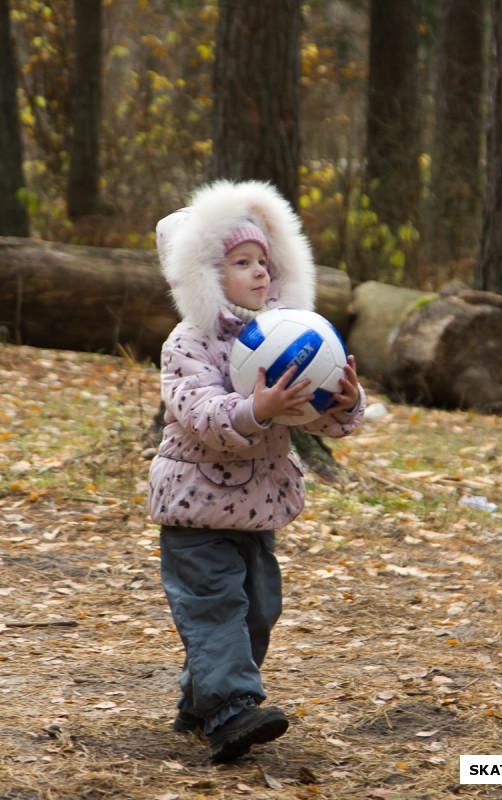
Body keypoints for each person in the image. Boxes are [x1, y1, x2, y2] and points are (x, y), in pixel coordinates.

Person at [148, 179, 365, 762]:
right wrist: (254, 409)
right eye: (241, 263)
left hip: (257, 509)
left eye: (263, 260)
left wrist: (340, 402)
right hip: (194, 510)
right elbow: (199, 414)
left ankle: (199, 704)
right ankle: (230, 714)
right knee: (216, 609)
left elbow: (313, 420)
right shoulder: (188, 343)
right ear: (203, 275)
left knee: (259, 612)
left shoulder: (286, 337)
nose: (259, 273)